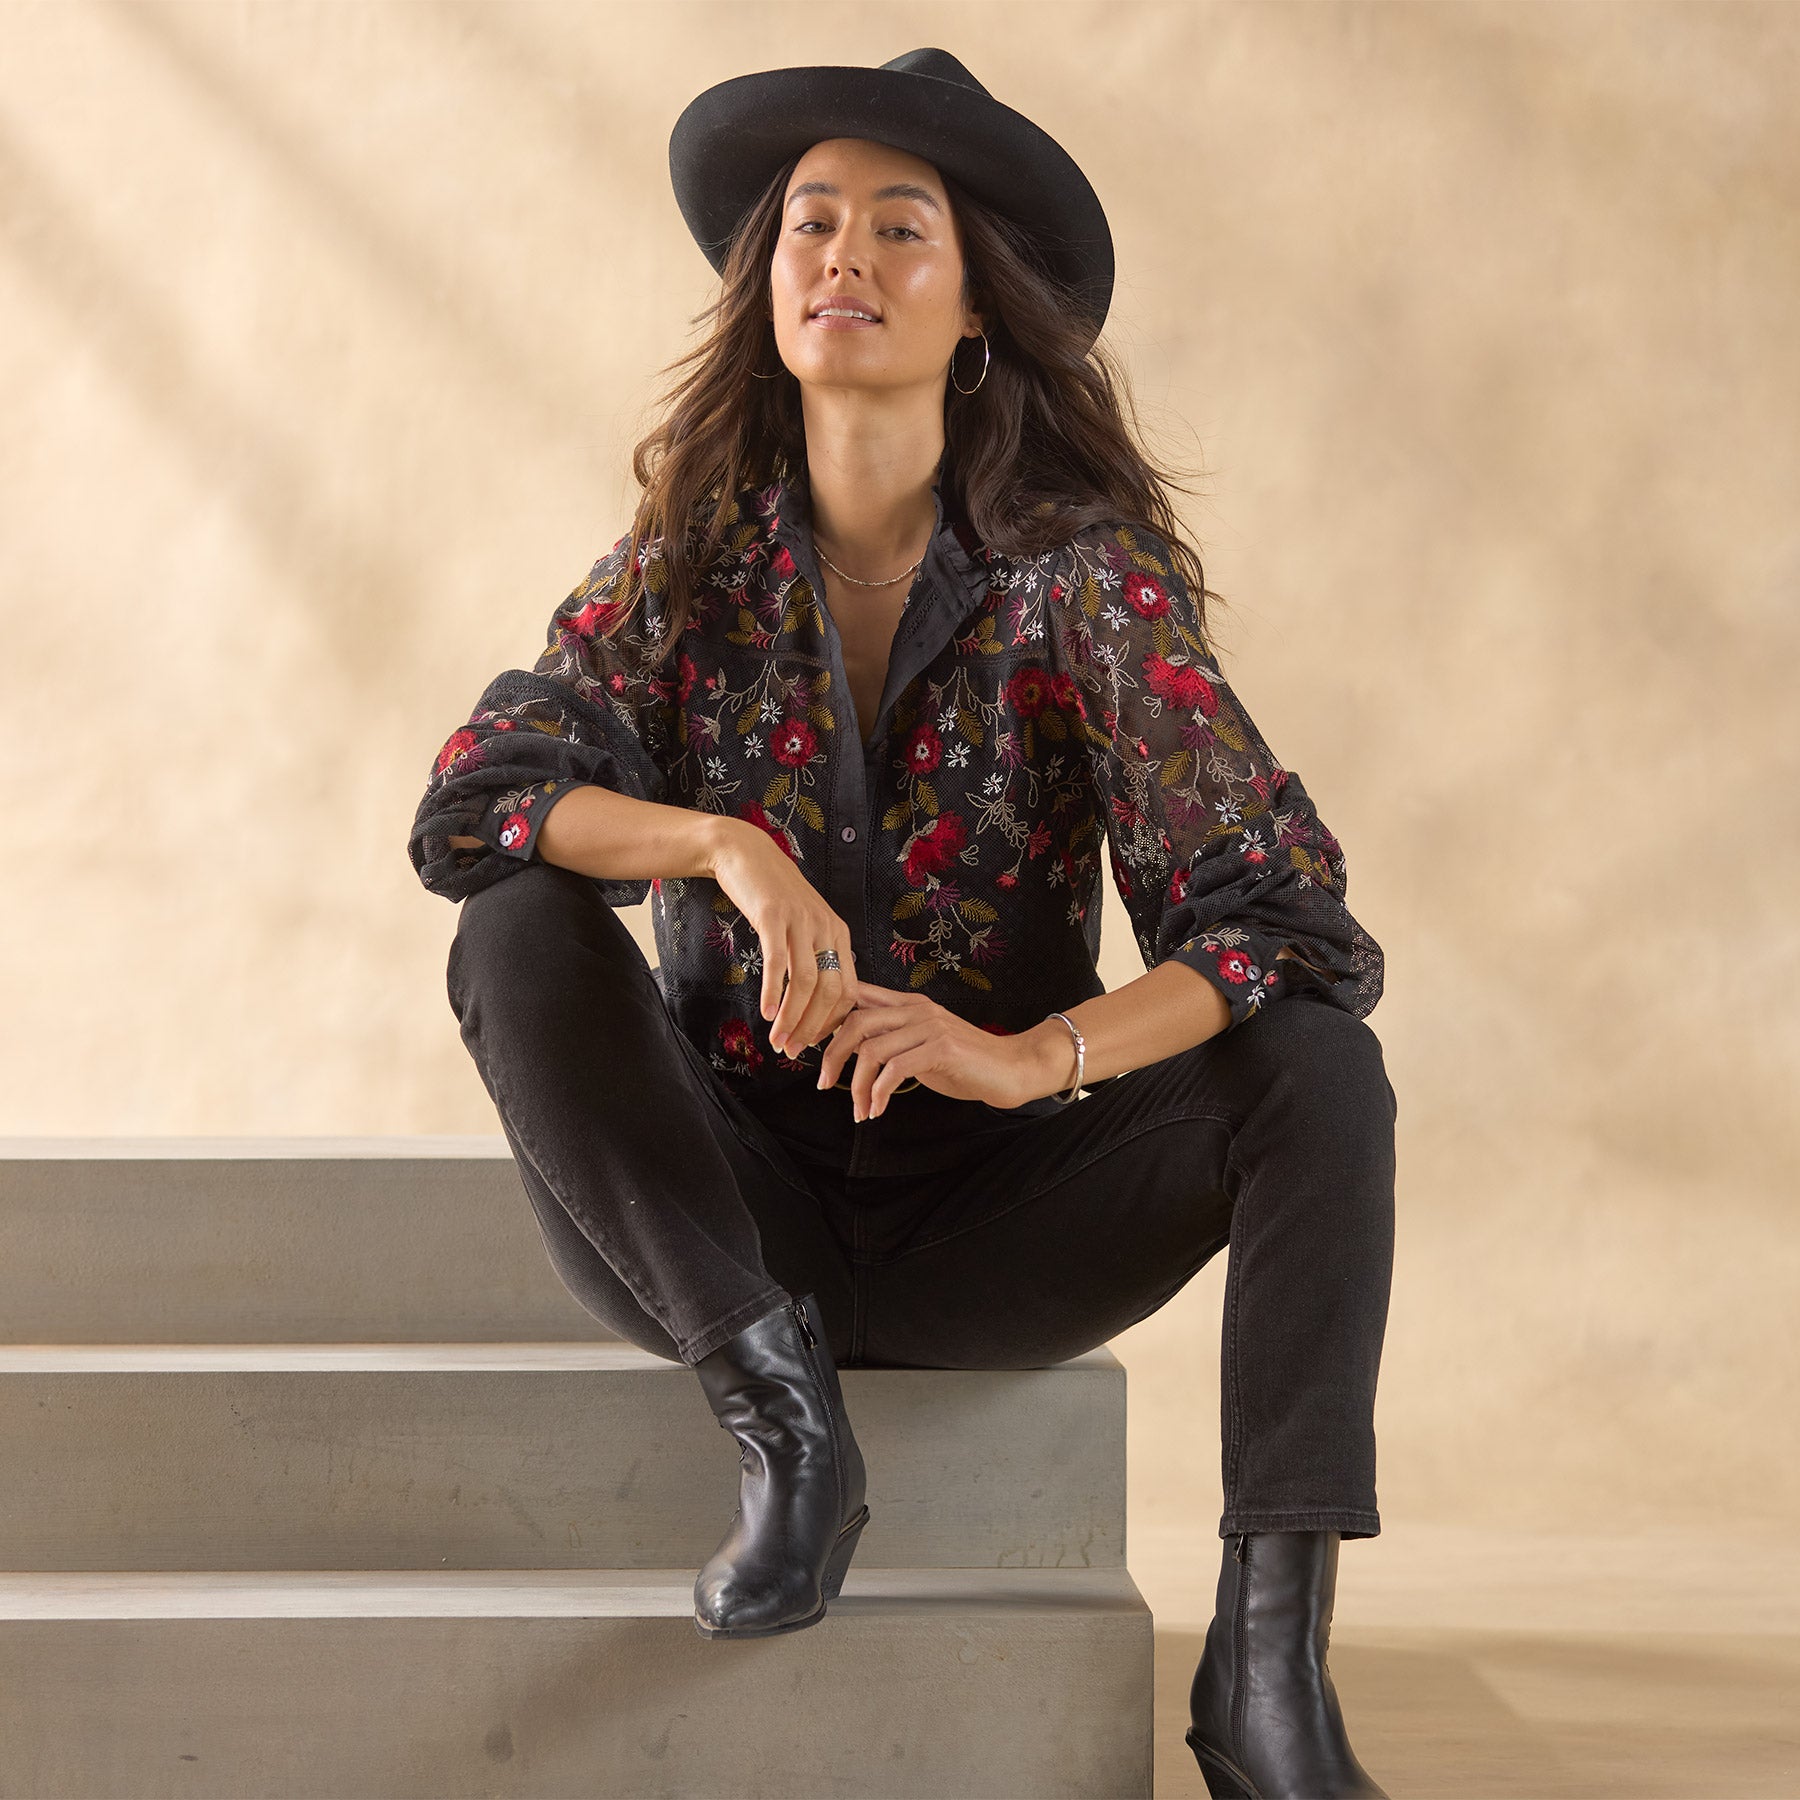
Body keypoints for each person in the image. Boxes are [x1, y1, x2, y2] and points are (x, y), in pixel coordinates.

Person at [408, 47, 1395, 1799]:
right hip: (730, 1222)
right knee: (514, 928)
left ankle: (1266, 1669)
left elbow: (1281, 922)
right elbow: (479, 794)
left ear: (976, 305)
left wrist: (1032, 1060)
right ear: (768, 282)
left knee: (1320, 1068)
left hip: (995, 1223)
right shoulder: (689, 564)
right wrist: (722, 843)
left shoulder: (1080, 580)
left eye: (898, 226)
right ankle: (785, 1429)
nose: (842, 254)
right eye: (811, 222)